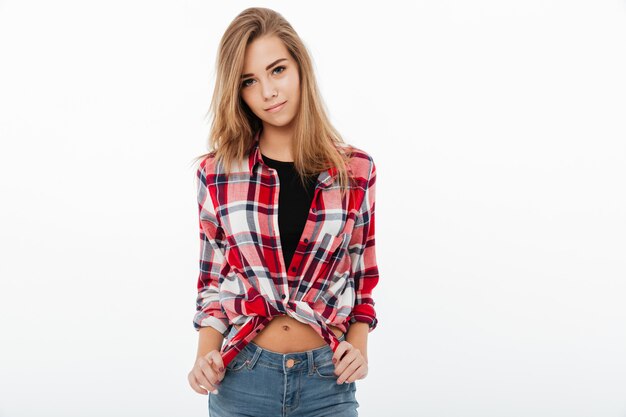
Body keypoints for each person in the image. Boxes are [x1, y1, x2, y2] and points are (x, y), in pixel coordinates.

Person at [187, 7, 380, 416]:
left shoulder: (356, 171)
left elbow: (361, 279)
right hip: (242, 378)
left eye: (277, 70)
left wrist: (358, 350)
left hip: (327, 382)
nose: (268, 92)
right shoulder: (217, 173)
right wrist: (205, 357)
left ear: (300, 67)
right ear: (237, 92)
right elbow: (212, 284)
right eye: (249, 81)